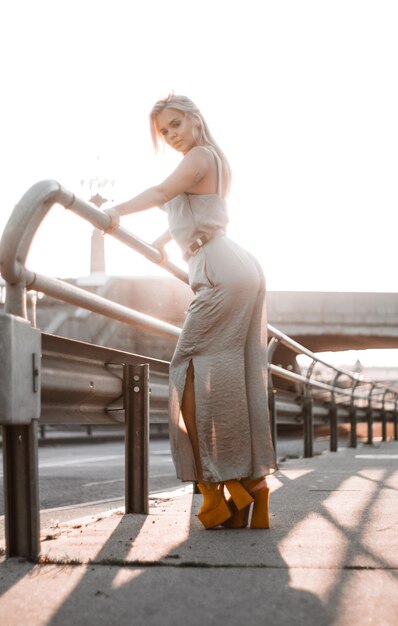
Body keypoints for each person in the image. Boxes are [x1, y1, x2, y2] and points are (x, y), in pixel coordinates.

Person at [104, 94, 277, 529]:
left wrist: (113, 213)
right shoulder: (213, 160)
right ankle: (248, 489)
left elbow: (164, 191)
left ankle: (220, 486)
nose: (171, 135)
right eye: (164, 131)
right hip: (232, 265)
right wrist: (164, 241)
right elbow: (196, 210)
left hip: (220, 272)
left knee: (186, 369)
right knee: (229, 379)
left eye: (176, 124)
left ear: (196, 119)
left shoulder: (199, 155)